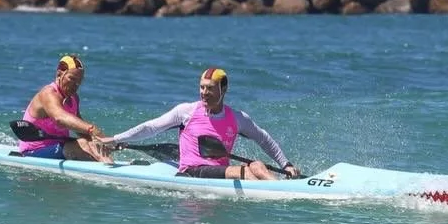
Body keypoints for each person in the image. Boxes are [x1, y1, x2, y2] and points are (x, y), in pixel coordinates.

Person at [101, 67, 300, 180]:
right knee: (247, 170)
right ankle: (282, 193)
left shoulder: (237, 118)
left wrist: (286, 164)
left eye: (210, 88)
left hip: (220, 172)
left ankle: (286, 187)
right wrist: (116, 139)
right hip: (192, 171)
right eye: (202, 87)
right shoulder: (186, 112)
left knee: (256, 165)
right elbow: (151, 127)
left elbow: (264, 139)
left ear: (223, 89)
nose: (204, 93)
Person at [16, 54, 110, 161]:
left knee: (92, 145)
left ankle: (110, 166)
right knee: (82, 144)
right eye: (72, 79)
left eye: (79, 81)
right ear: (59, 74)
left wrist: (100, 141)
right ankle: (106, 167)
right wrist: (92, 129)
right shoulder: (48, 93)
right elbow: (59, 118)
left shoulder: (74, 98)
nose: (76, 84)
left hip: (59, 146)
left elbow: (79, 128)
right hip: (33, 151)